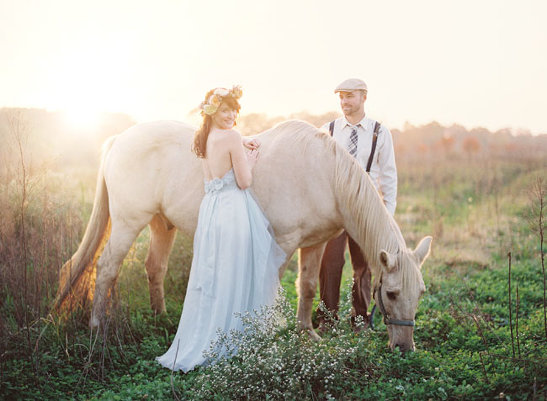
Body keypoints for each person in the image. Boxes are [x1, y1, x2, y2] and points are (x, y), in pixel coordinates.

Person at [156, 86, 285, 372]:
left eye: (234, 110)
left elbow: (217, 166)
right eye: (225, 110)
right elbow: (243, 182)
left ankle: (207, 335)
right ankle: (233, 339)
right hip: (233, 209)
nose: (231, 115)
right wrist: (249, 160)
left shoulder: (203, 137)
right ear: (212, 111)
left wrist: (242, 144)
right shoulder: (232, 137)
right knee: (237, 271)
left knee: (214, 275)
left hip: (211, 210)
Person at [317, 78, 397, 331]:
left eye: (349, 96)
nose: (344, 102)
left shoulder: (379, 132)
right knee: (330, 262)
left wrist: (387, 214)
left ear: (364, 97)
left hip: (366, 208)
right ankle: (327, 318)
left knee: (362, 265)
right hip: (334, 207)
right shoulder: (328, 129)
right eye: (341, 97)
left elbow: (389, 175)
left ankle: (360, 318)